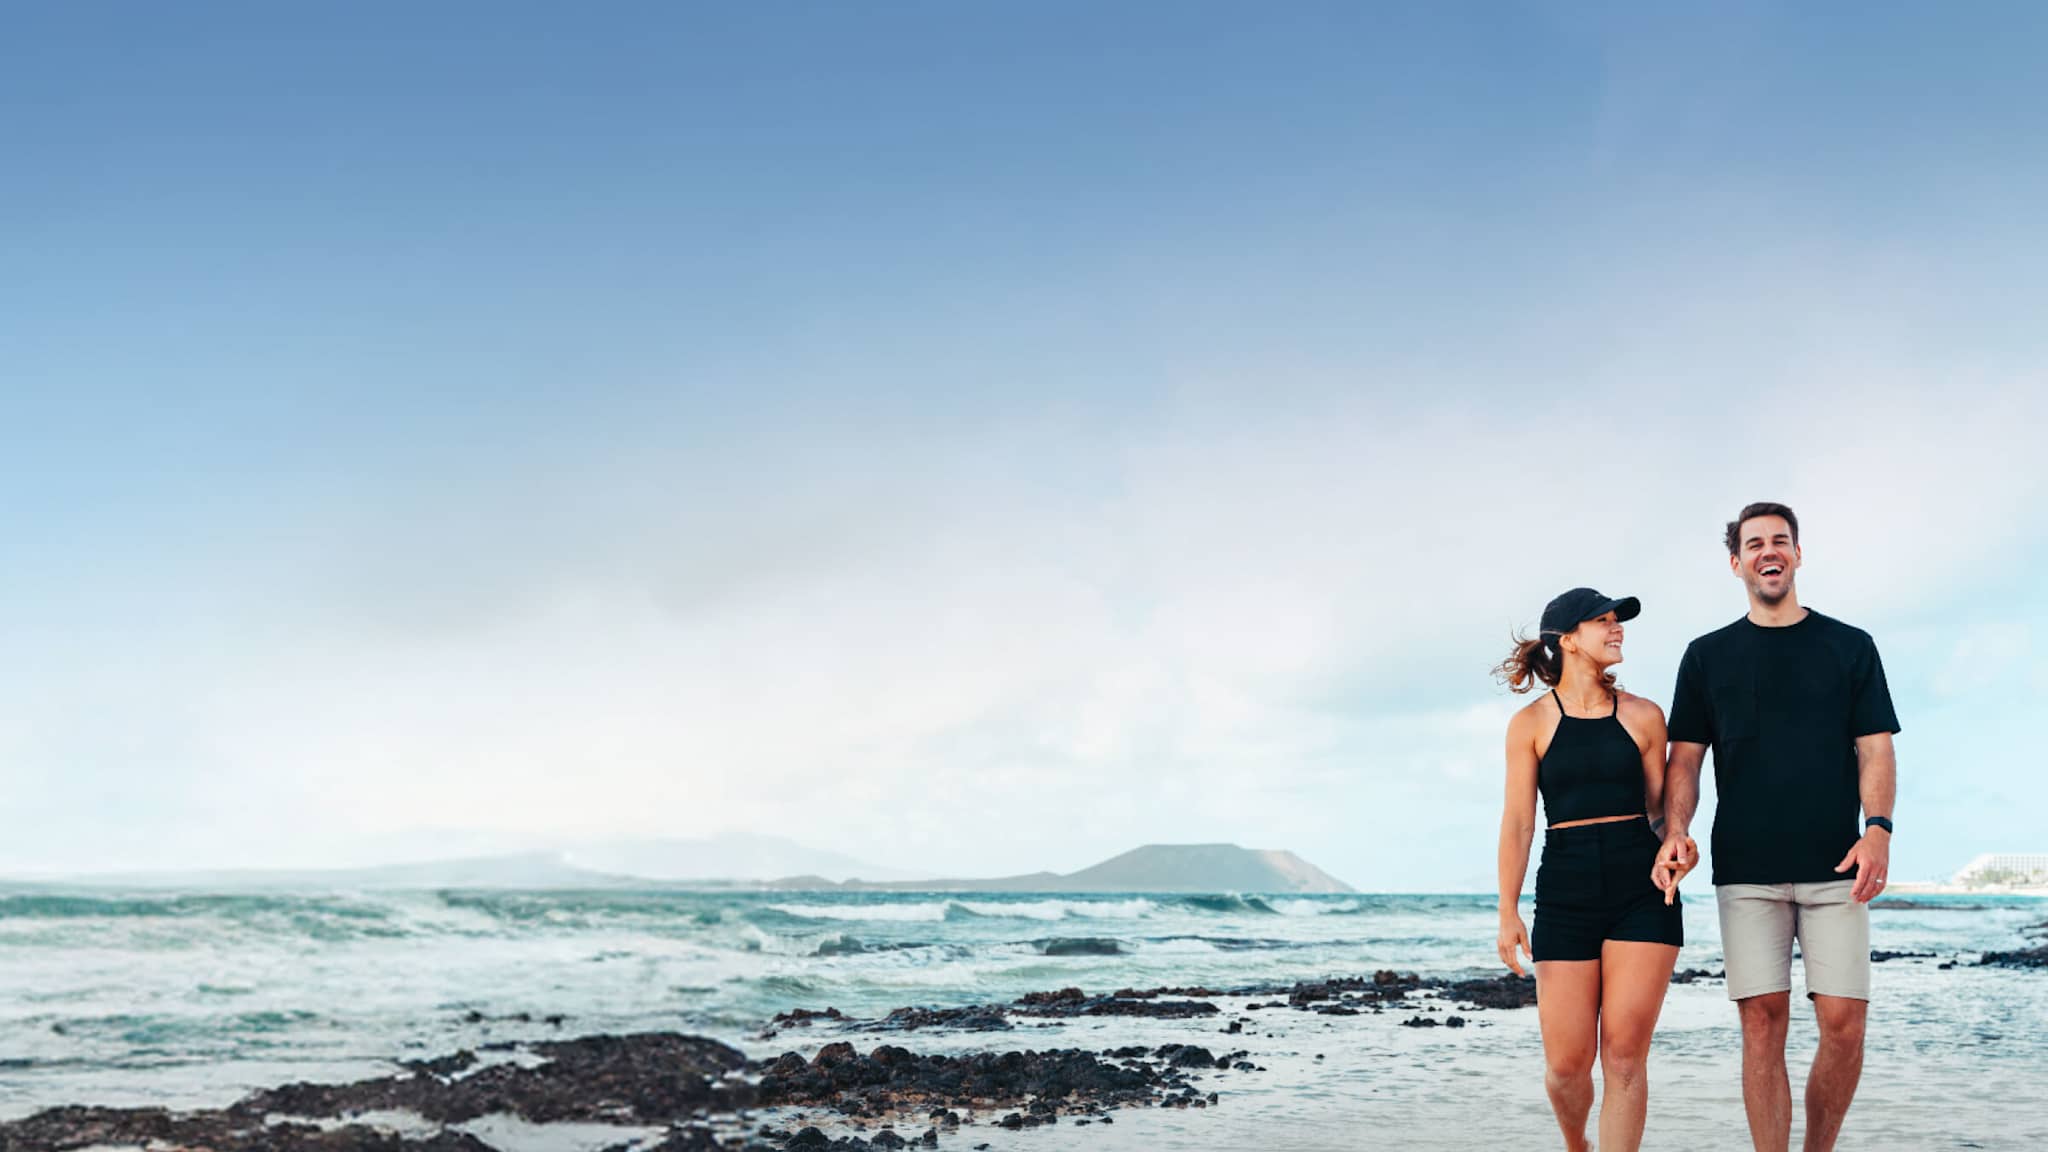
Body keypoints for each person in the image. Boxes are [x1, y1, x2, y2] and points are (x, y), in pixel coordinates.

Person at [1653, 502, 1900, 1152]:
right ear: (1736, 562)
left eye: (1781, 541)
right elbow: (1685, 761)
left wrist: (1878, 829)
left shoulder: (1850, 647)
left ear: (1797, 555)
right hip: (1747, 870)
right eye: (1755, 543)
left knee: (1844, 1023)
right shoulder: (1706, 656)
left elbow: (1875, 748)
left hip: (1836, 867)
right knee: (1762, 1024)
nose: (1770, 551)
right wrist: (1675, 830)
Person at [1496, 587, 1685, 1152]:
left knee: (1625, 1058)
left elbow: (1660, 815)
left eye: (1616, 620)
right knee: (1567, 1065)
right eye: (1602, 621)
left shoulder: (1645, 715)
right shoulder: (1529, 724)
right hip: (1565, 891)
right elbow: (1518, 824)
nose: (1616, 629)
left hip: (1641, 892)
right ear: (1568, 640)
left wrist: (1677, 846)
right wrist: (1507, 910)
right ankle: (1577, 1144)